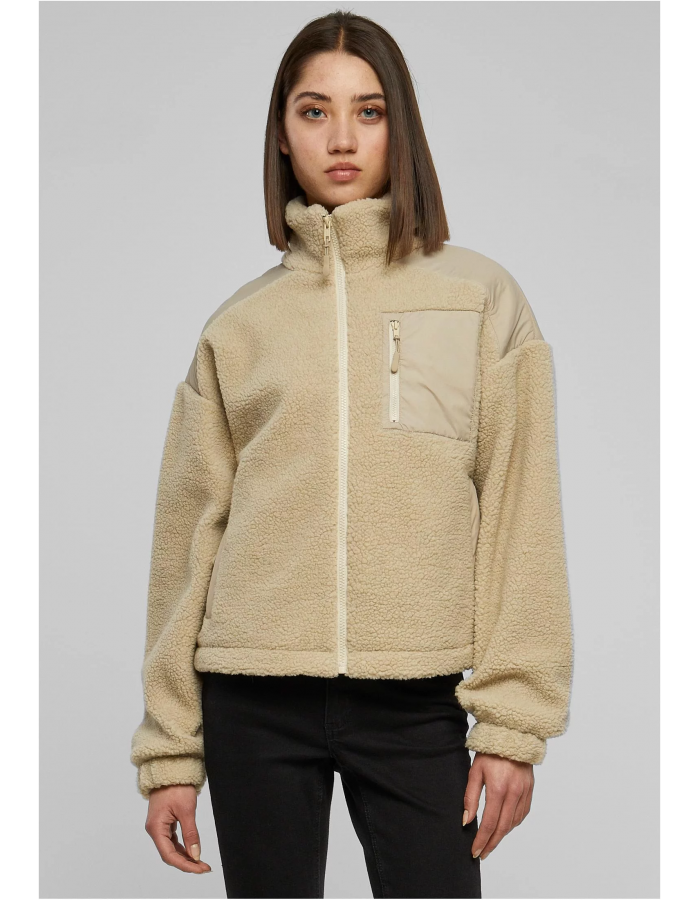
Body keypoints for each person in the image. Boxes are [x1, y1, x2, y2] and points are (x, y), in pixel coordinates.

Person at [130, 9, 573, 899]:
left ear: (400, 126)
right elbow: (187, 539)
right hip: (253, 696)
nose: (341, 138)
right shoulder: (239, 325)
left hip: (415, 698)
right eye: (314, 110)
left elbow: (520, 511)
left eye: (369, 111)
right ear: (281, 133)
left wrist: (513, 726)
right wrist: (171, 748)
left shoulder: (478, 297)